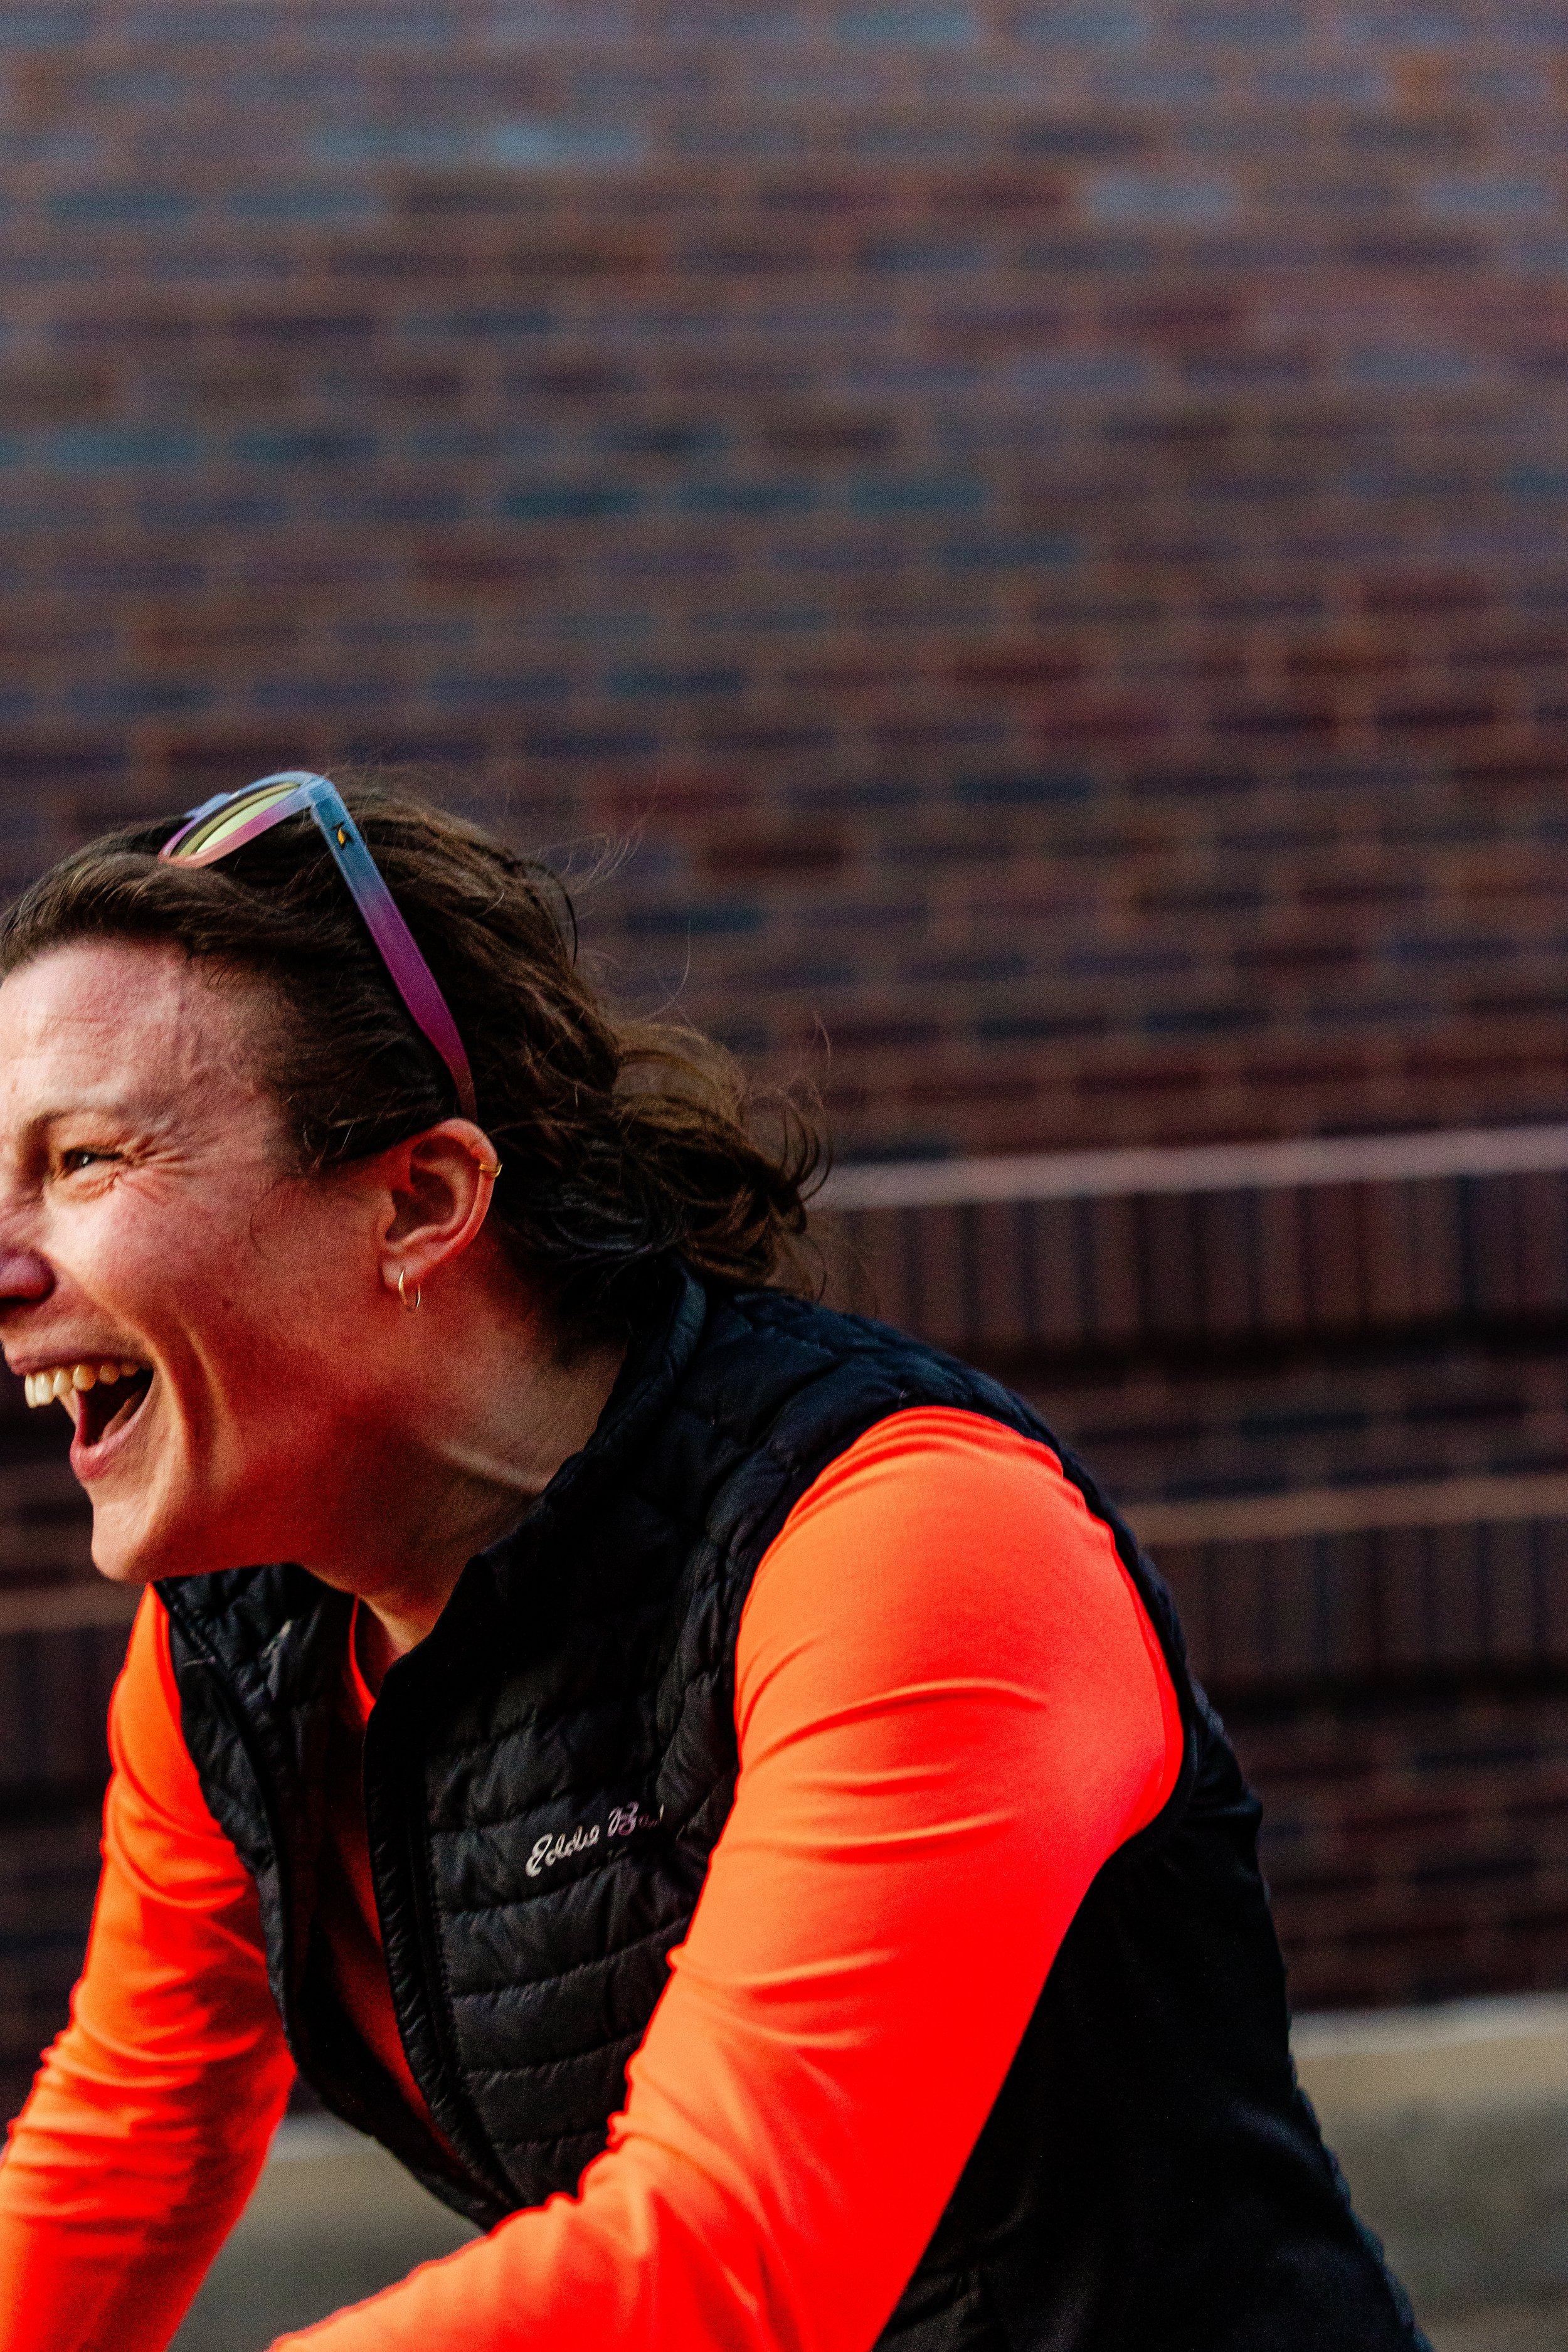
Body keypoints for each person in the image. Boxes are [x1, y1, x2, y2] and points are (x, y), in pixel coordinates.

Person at [0, 773, 1426, 2352]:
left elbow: (727, 2254)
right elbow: (126, 2146)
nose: (8, 1260)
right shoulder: (241, 1635)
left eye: (86, 1160)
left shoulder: (904, 1539)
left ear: (419, 1200)